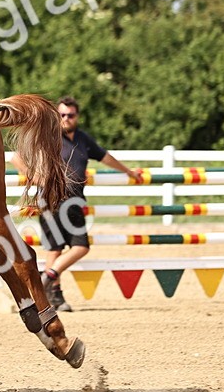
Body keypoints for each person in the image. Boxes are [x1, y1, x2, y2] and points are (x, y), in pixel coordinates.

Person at [28, 96, 141, 311]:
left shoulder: (83, 139)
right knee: (70, 248)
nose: (66, 118)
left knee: (61, 249)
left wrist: (127, 171)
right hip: (52, 199)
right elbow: (18, 158)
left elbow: (105, 157)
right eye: (62, 115)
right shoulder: (48, 136)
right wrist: (36, 176)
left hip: (73, 202)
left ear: (77, 117)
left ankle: (51, 287)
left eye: (70, 115)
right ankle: (52, 286)